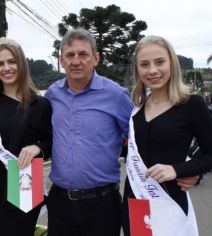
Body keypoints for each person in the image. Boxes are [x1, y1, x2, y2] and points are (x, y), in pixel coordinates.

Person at [44, 28, 132, 236]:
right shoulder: (51, 94)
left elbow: (140, 139)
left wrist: (181, 168)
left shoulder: (116, 95)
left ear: (96, 58)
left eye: (83, 54)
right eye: (70, 55)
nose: (76, 61)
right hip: (59, 203)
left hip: (102, 205)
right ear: (61, 61)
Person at [122, 35, 212, 235]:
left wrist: (179, 169)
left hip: (171, 204)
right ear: (137, 70)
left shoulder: (192, 105)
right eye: (144, 64)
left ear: (172, 63)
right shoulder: (137, 109)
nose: (152, 70)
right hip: (135, 204)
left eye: (160, 62)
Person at [0, 37, 52, 236]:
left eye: (12, 61)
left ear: (21, 64)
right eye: (0, 64)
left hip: (24, 185)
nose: (6, 68)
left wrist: (38, 148)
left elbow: (51, 142)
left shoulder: (39, 104)